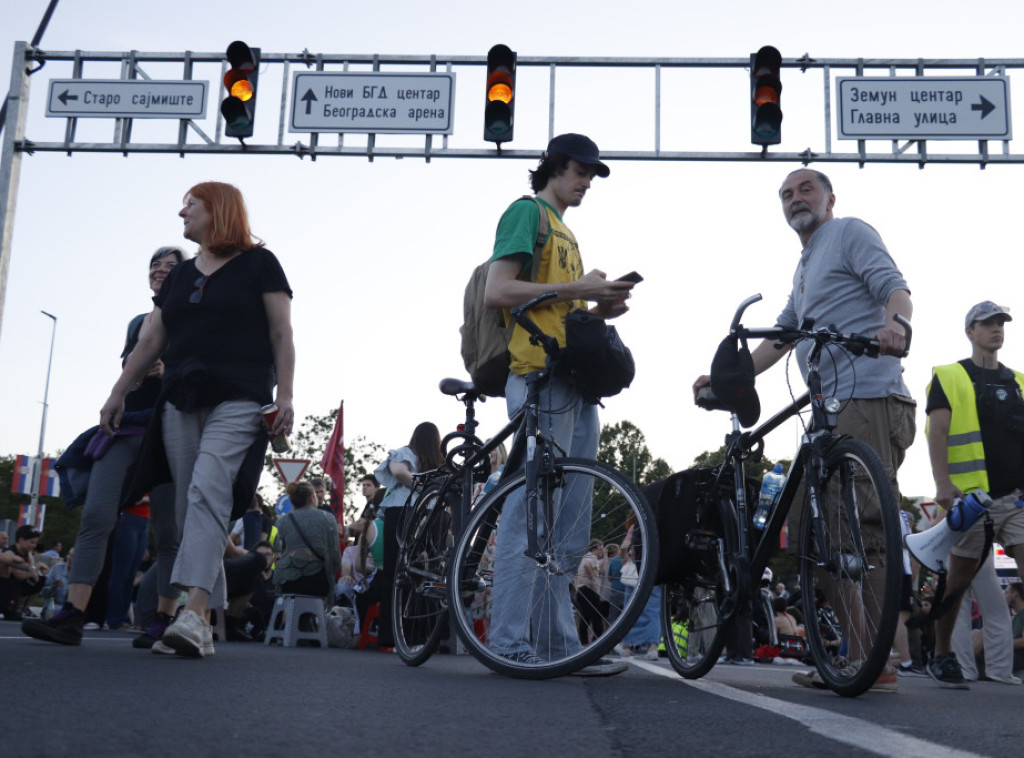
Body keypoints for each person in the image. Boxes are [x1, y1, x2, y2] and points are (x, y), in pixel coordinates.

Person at [695, 168, 915, 690]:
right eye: (786, 194)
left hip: (868, 395)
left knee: (866, 533)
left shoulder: (849, 232)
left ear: (830, 198)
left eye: (806, 189)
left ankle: (875, 662)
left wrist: (897, 324)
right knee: (814, 535)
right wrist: (729, 379)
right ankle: (857, 657)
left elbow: (895, 287)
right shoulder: (804, 266)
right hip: (828, 407)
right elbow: (783, 335)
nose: (796, 199)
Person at [97, 182, 295, 659]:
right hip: (180, 397)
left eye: (191, 204)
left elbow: (281, 332)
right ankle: (203, 624)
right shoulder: (181, 275)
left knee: (208, 491)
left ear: (218, 210)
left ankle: (191, 612)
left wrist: (286, 395)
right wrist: (117, 393)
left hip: (241, 396)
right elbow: (151, 341)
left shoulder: (260, 264)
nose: (181, 212)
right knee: (191, 507)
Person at [483, 133, 635, 677]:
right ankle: (506, 642)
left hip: (575, 380)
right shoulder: (528, 214)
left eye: (591, 174)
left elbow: (557, 308)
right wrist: (577, 289)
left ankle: (557, 647)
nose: (586, 181)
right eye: (580, 170)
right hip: (539, 376)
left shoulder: (567, 232)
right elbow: (498, 291)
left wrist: (598, 307)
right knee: (530, 517)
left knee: (569, 527)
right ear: (553, 167)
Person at [23, 246, 185, 646]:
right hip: (128, 428)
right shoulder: (139, 322)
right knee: (96, 516)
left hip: (170, 431)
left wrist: (170, 371)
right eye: (155, 265)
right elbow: (129, 369)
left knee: (169, 532)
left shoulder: (194, 320)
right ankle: (73, 614)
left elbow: (203, 374)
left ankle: (164, 619)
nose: (160, 270)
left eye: (170, 266)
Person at [925, 301, 1024, 688]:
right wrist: (942, 483)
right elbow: (938, 432)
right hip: (973, 499)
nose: (997, 329)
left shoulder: (1018, 381)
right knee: (958, 583)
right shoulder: (950, 376)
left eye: (1001, 323)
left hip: (1017, 499)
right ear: (970, 331)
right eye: (987, 323)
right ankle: (941, 653)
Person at [373, 422, 445, 649]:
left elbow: (398, 471)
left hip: (402, 511)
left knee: (396, 572)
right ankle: (424, 636)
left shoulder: (406, 452)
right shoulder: (441, 463)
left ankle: (392, 635)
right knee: (428, 572)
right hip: (433, 513)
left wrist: (418, 487)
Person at [273, 481, 342, 605]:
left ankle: (286, 618)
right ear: (311, 498)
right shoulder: (328, 518)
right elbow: (335, 557)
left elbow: (281, 551)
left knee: (289, 610)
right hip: (316, 581)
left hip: (287, 580)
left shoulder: (283, 521)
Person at [0, 526, 47, 620]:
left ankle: (23, 608)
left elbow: (31, 569)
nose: (34, 546)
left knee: (40, 580)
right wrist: (35, 569)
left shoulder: (28, 554)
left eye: (35, 543)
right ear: (21, 540)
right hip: (5, 589)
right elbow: (20, 575)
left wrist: (35, 571)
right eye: (32, 542)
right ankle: (11, 607)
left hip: (16, 591)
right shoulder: (9, 553)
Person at [575, 540, 605, 644]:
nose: (602, 551)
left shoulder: (585, 556)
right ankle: (598, 641)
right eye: (600, 549)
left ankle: (583, 641)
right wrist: (593, 580)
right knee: (597, 617)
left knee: (585, 617)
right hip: (589, 589)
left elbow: (600, 571)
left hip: (582, 588)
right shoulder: (592, 557)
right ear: (594, 549)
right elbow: (586, 566)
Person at [1006, 582, 1024, 675]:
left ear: (1015, 594)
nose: (1004, 596)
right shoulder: (1016, 617)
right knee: (978, 633)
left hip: (1019, 657)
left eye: (1006, 593)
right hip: (1012, 654)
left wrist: (1002, 645)